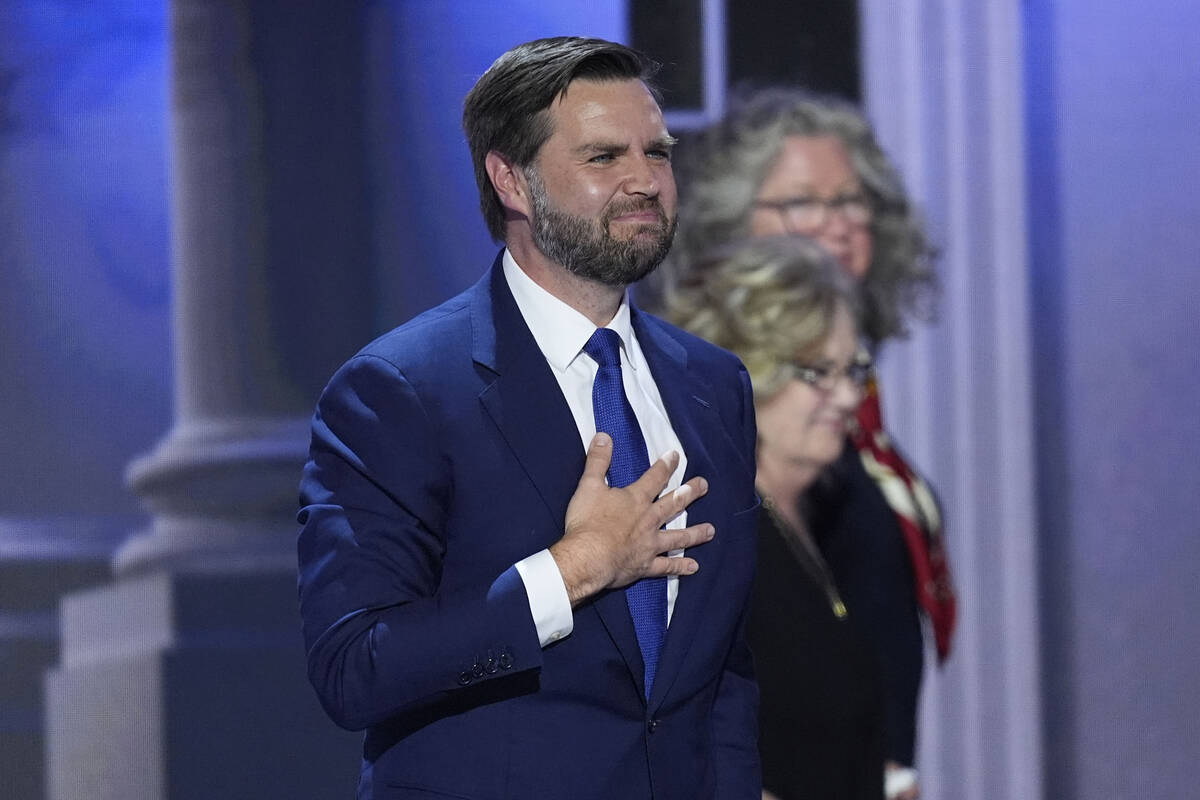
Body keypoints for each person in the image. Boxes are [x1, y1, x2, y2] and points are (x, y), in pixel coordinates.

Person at [296, 37, 761, 800]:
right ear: (510, 179)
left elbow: (725, 673)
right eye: (604, 156)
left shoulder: (713, 383)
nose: (646, 180)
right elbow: (356, 669)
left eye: (658, 151)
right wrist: (572, 570)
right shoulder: (401, 390)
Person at [659, 88, 954, 800]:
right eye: (802, 203)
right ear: (730, 224)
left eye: (851, 201)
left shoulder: (849, 419)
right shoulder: (704, 444)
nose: (837, 225)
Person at [666, 234, 885, 800]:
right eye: (818, 372)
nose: (847, 397)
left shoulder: (831, 513)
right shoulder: (705, 530)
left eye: (853, 370)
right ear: (746, 373)